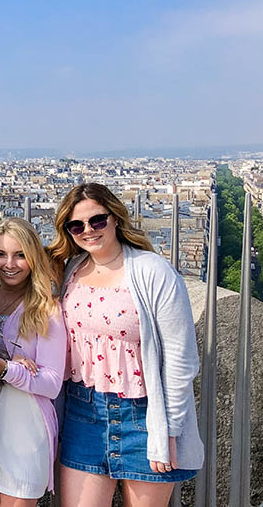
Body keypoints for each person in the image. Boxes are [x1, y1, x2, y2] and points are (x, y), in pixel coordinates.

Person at [48, 183, 203, 507]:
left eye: (97, 221)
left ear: (115, 218)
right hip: (83, 412)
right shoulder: (71, 270)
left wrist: (169, 431)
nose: (88, 230)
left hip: (145, 418)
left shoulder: (153, 272)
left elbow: (181, 359)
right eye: (77, 226)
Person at [0, 218, 66, 506]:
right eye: (1, 255)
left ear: (33, 257)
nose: (9, 263)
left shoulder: (47, 309)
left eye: (20, 255)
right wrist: (7, 364)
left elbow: (52, 383)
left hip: (25, 430)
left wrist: (8, 368)